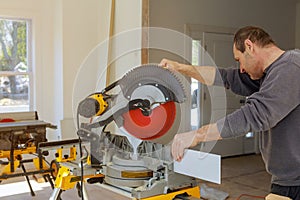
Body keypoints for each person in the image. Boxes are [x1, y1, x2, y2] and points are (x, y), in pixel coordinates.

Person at [160, 26, 300, 199]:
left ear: (249, 46)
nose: (241, 68)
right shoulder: (269, 73)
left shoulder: (291, 67)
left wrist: (197, 135)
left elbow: (255, 114)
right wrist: (180, 68)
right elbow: (225, 77)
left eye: (239, 60)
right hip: (286, 180)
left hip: (296, 182)